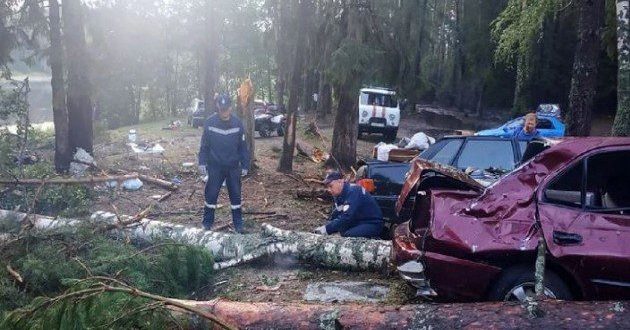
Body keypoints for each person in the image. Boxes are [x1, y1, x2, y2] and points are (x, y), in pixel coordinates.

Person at [198, 93, 250, 233]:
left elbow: (243, 147)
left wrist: (245, 164)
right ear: (218, 107)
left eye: (226, 109)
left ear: (231, 108)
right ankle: (207, 224)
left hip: (233, 167)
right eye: (222, 109)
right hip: (215, 166)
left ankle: (238, 225)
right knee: (211, 195)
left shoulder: (238, 124)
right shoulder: (210, 123)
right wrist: (202, 162)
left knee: (236, 196)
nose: (224, 112)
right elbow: (204, 145)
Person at [313, 172, 384, 239]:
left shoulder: (353, 191)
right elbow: (336, 215)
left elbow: (347, 217)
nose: (329, 189)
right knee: (342, 231)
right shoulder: (339, 196)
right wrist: (326, 227)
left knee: (348, 236)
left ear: (340, 182)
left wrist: (327, 229)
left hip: (372, 223)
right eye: (327, 187)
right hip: (358, 221)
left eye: (331, 186)